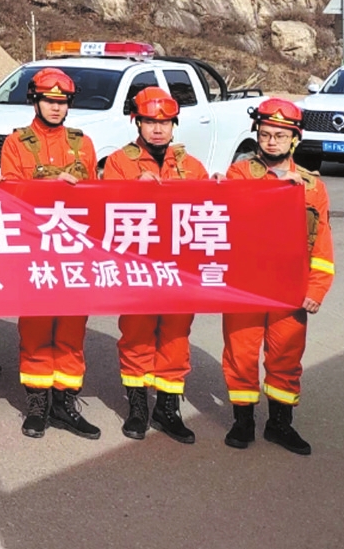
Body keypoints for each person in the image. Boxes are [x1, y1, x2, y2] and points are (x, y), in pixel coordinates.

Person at [221, 98, 333, 456]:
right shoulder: (239, 175)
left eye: (280, 136)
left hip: (291, 287)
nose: (271, 142)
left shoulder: (312, 187)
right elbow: (229, 215)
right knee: (240, 354)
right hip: (246, 285)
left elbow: (322, 242)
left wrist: (317, 288)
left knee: (286, 356)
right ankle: (243, 421)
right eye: (265, 134)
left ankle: (280, 424)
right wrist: (274, 186)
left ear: (294, 139)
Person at [101, 87, 207, 443]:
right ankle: (137, 408)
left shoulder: (192, 167)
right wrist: (134, 187)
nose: (158, 129)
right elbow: (103, 209)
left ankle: (167, 408)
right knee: (137, 336)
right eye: (149, 122)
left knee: (175, 338)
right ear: (137, 123)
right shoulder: (119, 163)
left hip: (179, 272)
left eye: (164, 122)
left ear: (174, 125)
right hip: (137, 269)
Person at [0, 67, 100, 440]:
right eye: (48, 101)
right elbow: (11, 195)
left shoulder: (83, 144)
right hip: (36, 252)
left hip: (74, 253)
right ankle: (38, 404)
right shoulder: (16, 143)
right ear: (35, 101)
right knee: (36, 329)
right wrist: (48, 185)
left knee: (72, 330)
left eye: (62, 102)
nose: (55, 108)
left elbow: (98, 198)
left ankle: (65, 403)